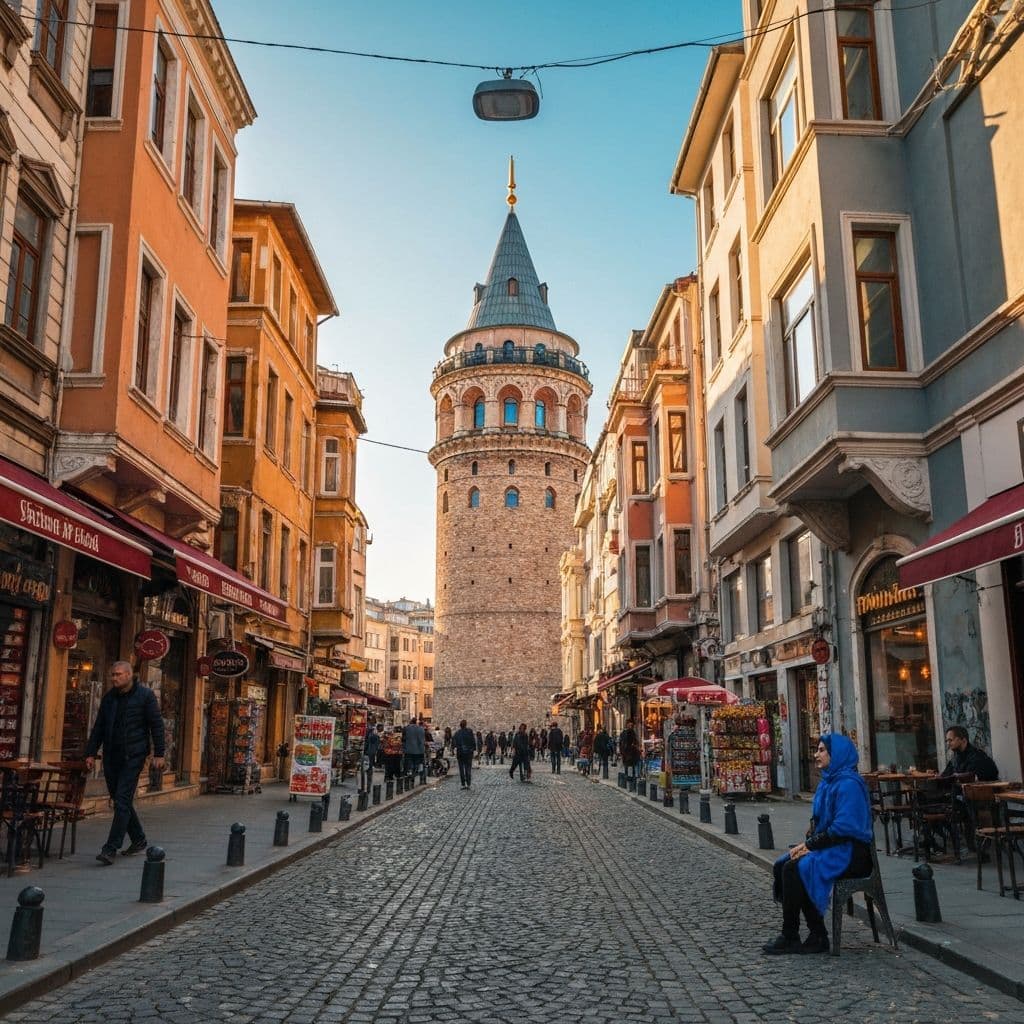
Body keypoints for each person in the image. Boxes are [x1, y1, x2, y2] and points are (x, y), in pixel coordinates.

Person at [764, 734, 874, 955]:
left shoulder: (849, 785)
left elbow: (844, 828)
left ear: (837, 754)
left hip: (853, 852)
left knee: (795, 868)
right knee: (785, 863)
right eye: (817, 749)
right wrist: (809, 840)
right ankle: (816, 934)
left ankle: (794, 935)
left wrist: (810, 846)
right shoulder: (829, 782)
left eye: (822, 750)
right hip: (834, 846)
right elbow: (824, 823)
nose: (816, 754)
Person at [84, 661, 165, 865]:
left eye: (118, 674)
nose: (114, 678)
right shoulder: (110, 698)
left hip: (134, 755)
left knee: (121, 799)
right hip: (112, 755)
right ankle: (138, 839)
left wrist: (159, 753)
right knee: (121, 800)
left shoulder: (145, 696)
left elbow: (157, 725)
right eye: (112, 674)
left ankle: (110, 848)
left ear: (129, 675)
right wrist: (90, 753)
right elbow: (99, 726)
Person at [453, 719, 476, 789]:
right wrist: (473, 749)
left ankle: (463, 784)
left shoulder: (457, 733)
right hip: (468, 753)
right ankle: (468, 784)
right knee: (468, 768)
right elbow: (473, 741)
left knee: (461, 769)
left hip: (460, 753)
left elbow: (454, 743)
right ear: (466, 724)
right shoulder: (470, 732)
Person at [363, 719, 382, 790]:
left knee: (367, 770)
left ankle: (366, 787)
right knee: (368, 770)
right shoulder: (373, 732)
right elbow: (376, 743)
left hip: (368, 752)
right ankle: (367, 787)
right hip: (370, 753)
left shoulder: (371, 731)